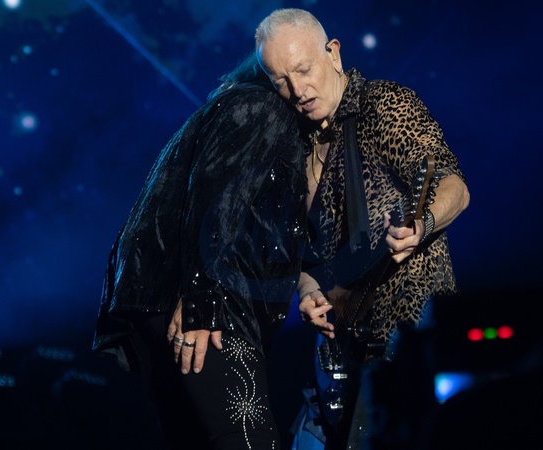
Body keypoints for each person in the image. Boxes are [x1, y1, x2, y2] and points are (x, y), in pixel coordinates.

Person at [254, 8, 470, 449]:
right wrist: (307, 291)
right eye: (281, 82)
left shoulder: (384, 104)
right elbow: (307, 254)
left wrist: (422, 223)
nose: (298, 90)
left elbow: (454, 187)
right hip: (337, 357)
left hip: (401, 344)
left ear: (333, 54)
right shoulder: (294, 145)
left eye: (304, 70)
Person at [92, 52, 309, 450]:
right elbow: (217, 194)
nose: (298, 90)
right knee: (250, 439)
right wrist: (201, 300)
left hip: (163, 299)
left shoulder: (231, 107)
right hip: (209, 304)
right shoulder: (262, 106)